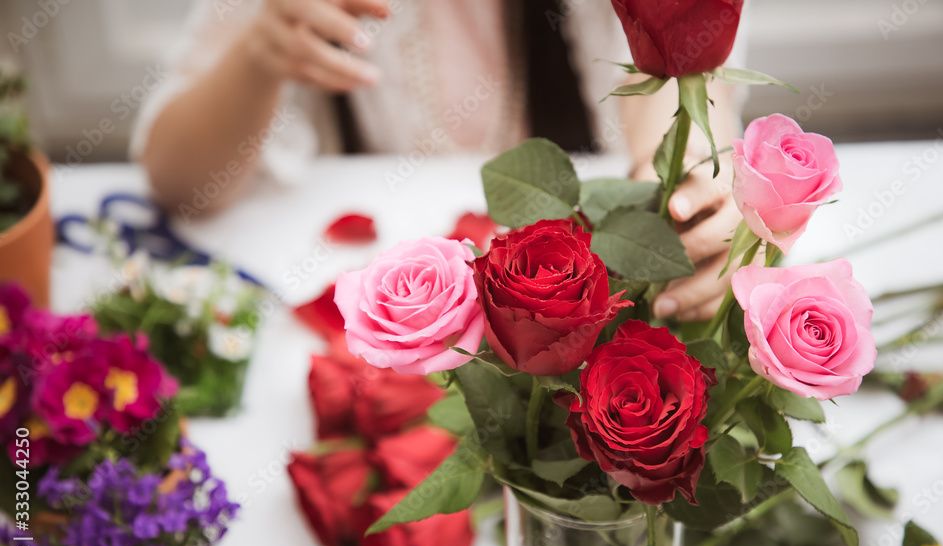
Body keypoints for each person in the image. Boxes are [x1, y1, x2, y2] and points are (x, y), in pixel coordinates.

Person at [132, 0, 747, 321]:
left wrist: (687, 175)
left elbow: (671, 61)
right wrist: (258, 56)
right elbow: (180, 181)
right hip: (386, 298)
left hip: (571, 298)